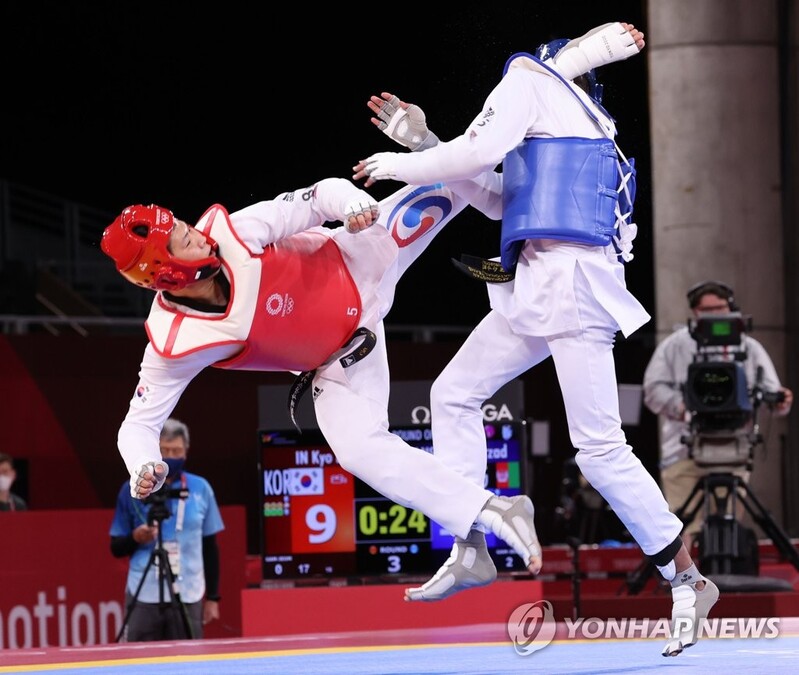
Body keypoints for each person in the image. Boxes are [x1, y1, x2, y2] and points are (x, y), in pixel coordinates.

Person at [353, 21, 718, 657]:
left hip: (570, 286)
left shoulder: (528, 77)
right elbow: (497, 198)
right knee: (455, 394)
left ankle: (686, 579)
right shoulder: (585, 127)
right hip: (539, 285)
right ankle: (472, 541)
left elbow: (472, 155)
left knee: (599, 450)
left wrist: (403, 160)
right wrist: (427, 139)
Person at [99, 175, 546, 592]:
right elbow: (135, 427)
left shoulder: (236, 231)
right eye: (183, 239)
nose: (197, 234)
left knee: (454, 175)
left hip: (362, 255)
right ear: (168, 273)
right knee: (357, 452)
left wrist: (351, 202)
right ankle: (491, 512)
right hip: (341, 362)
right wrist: (142, 464)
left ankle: (551, 195)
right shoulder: (176, 343)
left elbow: (319, 196)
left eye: (183, 224)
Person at [642, 280, 793, 552]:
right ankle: (687, 583)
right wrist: (682, 407)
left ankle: (725, 579)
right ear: (695, 312)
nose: (714, 314)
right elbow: (652, 389)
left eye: (720, 307)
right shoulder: (674, 346)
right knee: (682, 527)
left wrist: (780, 399)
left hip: (733, 448)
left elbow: (772, 394)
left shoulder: (750, 347)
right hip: (683, 450)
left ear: (731, 307)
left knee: (727, 523)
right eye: (706, 309)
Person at [109, 418, 224, 641]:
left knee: (189, 663)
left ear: (186, 452)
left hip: (188, 591)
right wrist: (135, 537)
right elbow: (115, 547)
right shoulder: (134, 487)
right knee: (139, 662)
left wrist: (213, 597)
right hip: (144, 593)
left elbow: (210, 546)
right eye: (165, 450)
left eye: (176, 450)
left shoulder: (201, 488)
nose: (171, 456)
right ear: (155, 450)